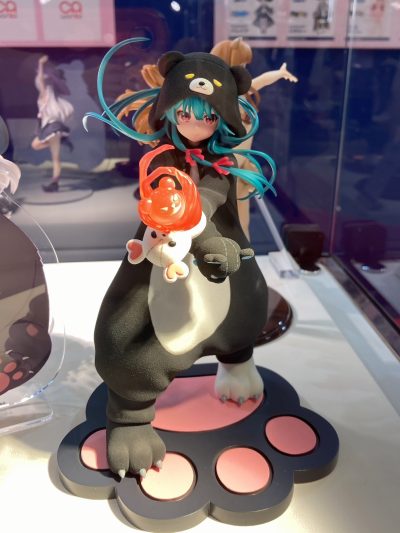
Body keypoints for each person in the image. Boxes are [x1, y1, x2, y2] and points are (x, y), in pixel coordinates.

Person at [85, 37, 276, 478]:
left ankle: (236, 360)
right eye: (184, 113)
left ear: (223, 117)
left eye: (207, 116)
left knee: (242, 307)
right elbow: (172, 198)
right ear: (168, 110)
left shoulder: (220, 167)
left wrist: (208, 238)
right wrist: (198, 236)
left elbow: (207, 197)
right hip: (163, 253)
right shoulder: (160, 160)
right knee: (134, 332)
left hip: (217, 257)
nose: (194, 124)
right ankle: (130, 417)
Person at [116, 37, 297, 238]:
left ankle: (238, 248)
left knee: (236, 222)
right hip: (213, 168)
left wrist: (279, 73)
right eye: (240, 63)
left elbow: (260, 81)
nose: (243, 68)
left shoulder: (233, 95)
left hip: (232, 164)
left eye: (245, 65)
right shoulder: (211, 97)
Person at [31, 55, 74, 192]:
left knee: (55, 157)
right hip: (50, 128)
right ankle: (61, 141)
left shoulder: (47, 94)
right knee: (36, 145)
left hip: (53, 127)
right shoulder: (47, 95)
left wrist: (40, 64)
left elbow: (41, 80)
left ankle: (55, 183)